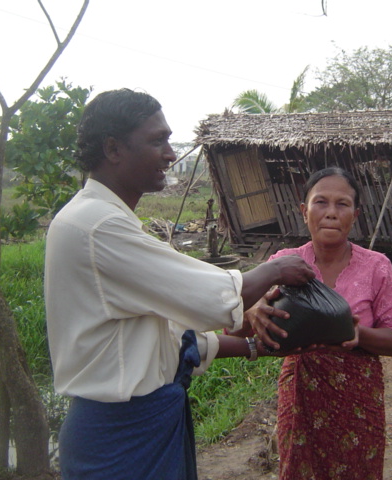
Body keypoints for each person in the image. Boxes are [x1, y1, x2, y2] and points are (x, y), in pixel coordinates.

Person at [43, 88, 315, 480]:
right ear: (114, 149)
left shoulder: (90, 218)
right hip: (123, 436)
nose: (171, 154)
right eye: (158, 141)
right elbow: (213, 299)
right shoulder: (100, 227)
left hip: (131, 426)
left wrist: (255, 346)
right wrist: (275, 270)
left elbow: (163, 340)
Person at [244, 166, 392, 479]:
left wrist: (358, 334)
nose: (331, 213)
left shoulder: (376, 267)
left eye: (342, 204)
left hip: (358, 401)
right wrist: (251, 309)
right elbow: (239, 326)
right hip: (300, 398)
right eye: (321, 202)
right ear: (304, 211)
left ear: (355, 215)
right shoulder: (283, 263)